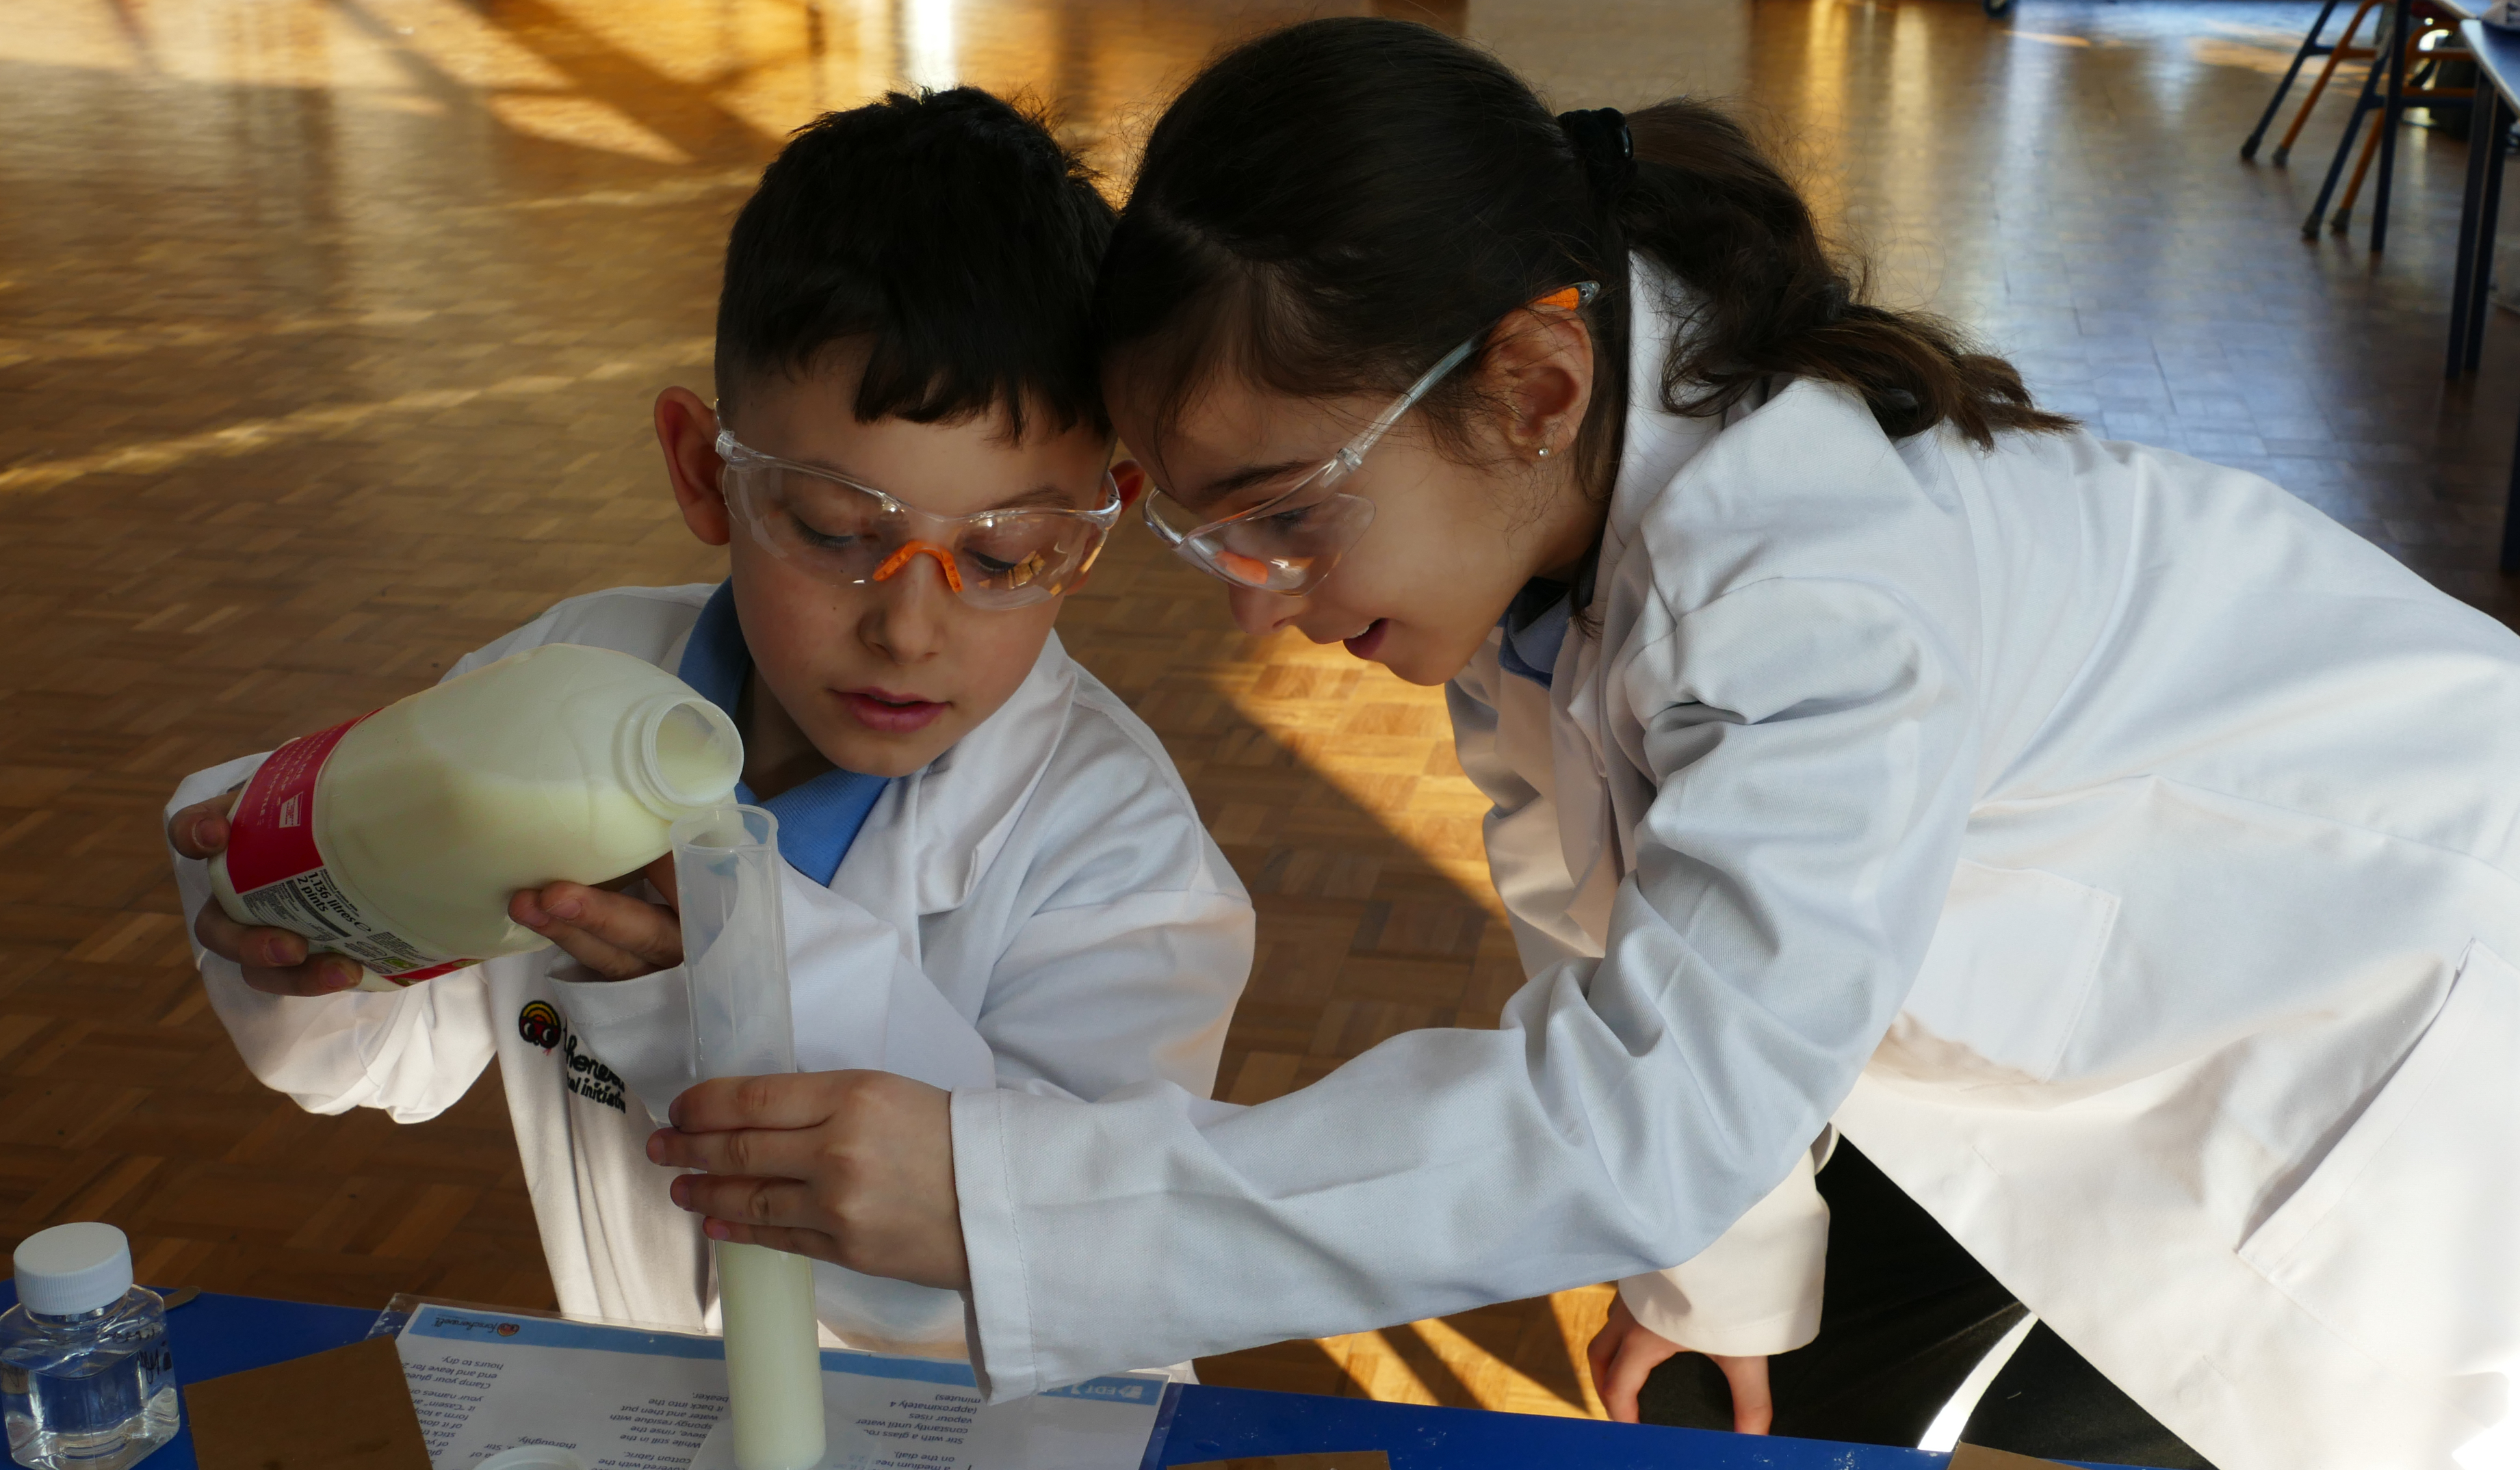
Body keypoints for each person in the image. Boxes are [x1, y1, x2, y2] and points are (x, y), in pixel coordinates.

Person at [646, 21, 2520, 1469]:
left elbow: (1641, 1107)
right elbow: (1613, 925)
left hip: (2395, 1048)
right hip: (2060, 1028)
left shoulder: (1815, 591)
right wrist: (1716, 1276)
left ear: (1534, 382)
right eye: (1209, 529)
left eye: (1279, 511)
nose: (1256, 597)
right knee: (1724, 1387)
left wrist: (1003, 1199)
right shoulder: (1533, 523)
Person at [159, 89, 1251, 1362]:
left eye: (1008, 553)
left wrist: (735, 967)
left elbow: (1050, 1271)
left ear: (1096, 529)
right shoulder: (561, 682)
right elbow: (379, 1065)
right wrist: (302, 924)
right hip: (664, 1419)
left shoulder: (1116, 857)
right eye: (839, 532)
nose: (908, 627)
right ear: (701, 468)